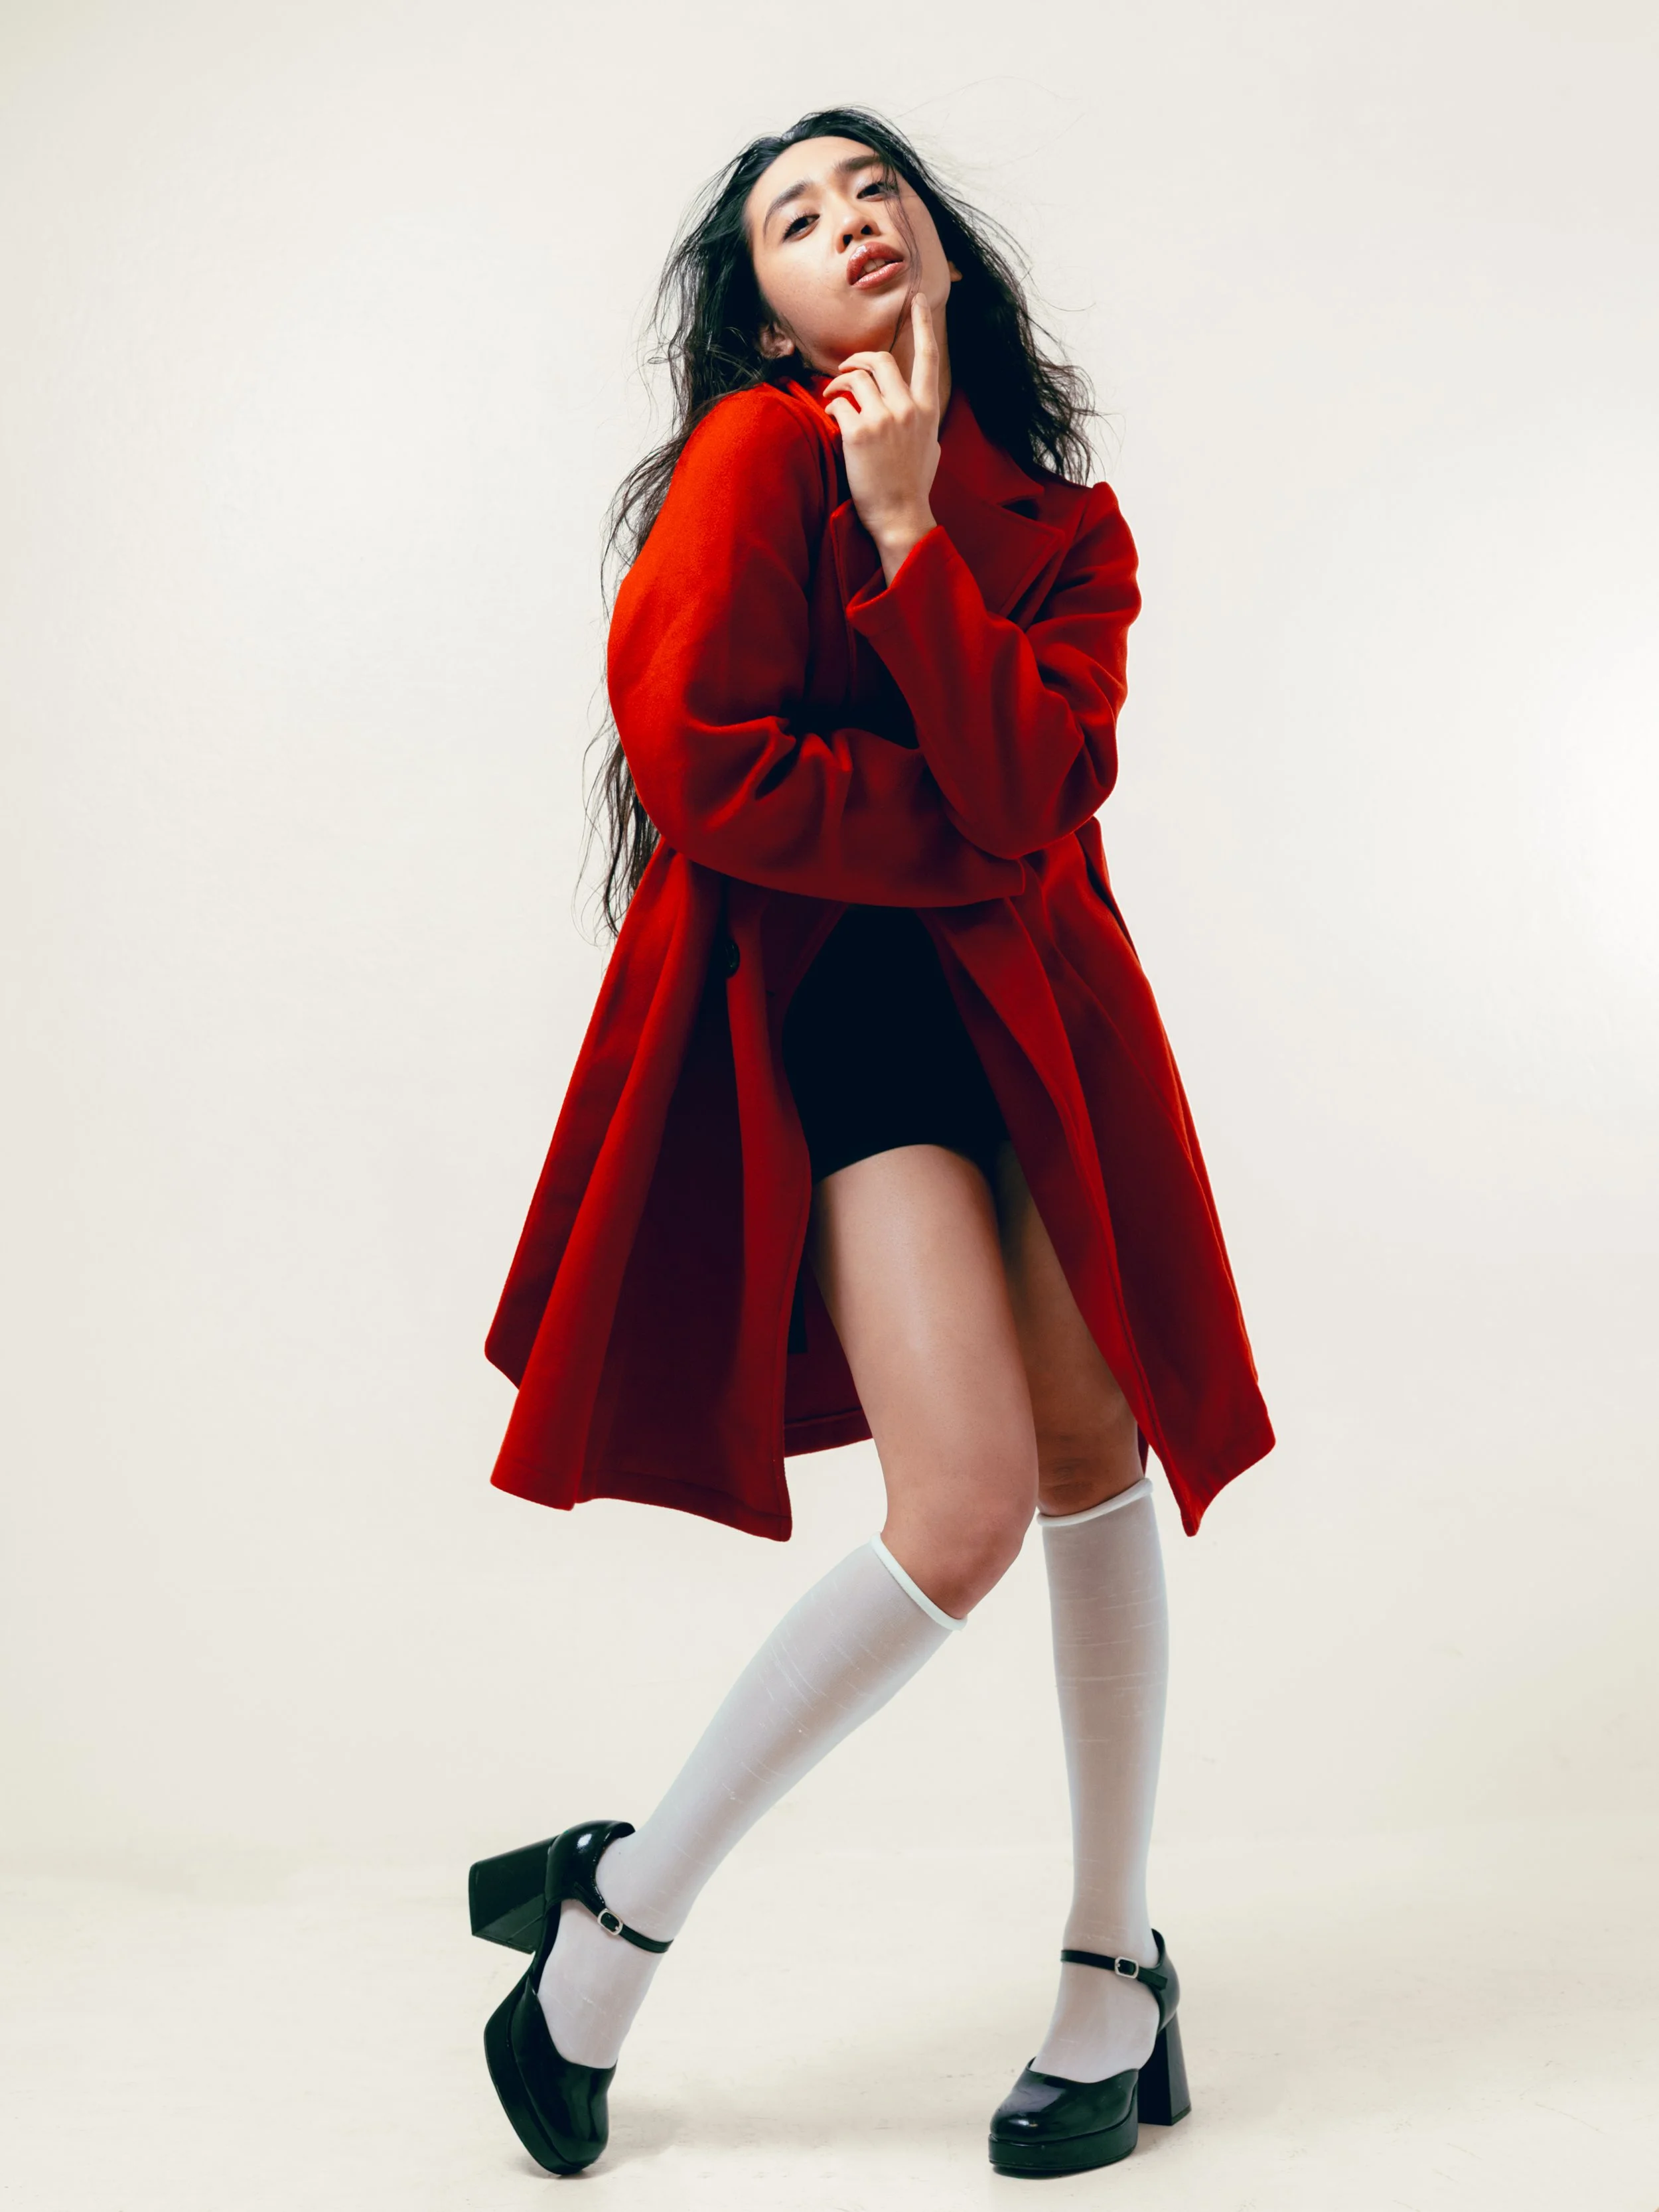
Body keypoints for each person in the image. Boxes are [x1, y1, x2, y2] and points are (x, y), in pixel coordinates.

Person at [469, 106, 1273, 2181]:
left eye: (874, 189)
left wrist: (917, 534)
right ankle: (620, 1911)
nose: (849, 224)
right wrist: (971, 826)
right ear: (765, 305)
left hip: (1045, 1026)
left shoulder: (1058, 526)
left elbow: (1045, 767)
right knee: (962, 1508)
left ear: (937, 237)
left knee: (1104, 1461)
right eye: (797, 219)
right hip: (845, 1024)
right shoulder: (749, 460)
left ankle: (1116, 1969)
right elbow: (712, 771)